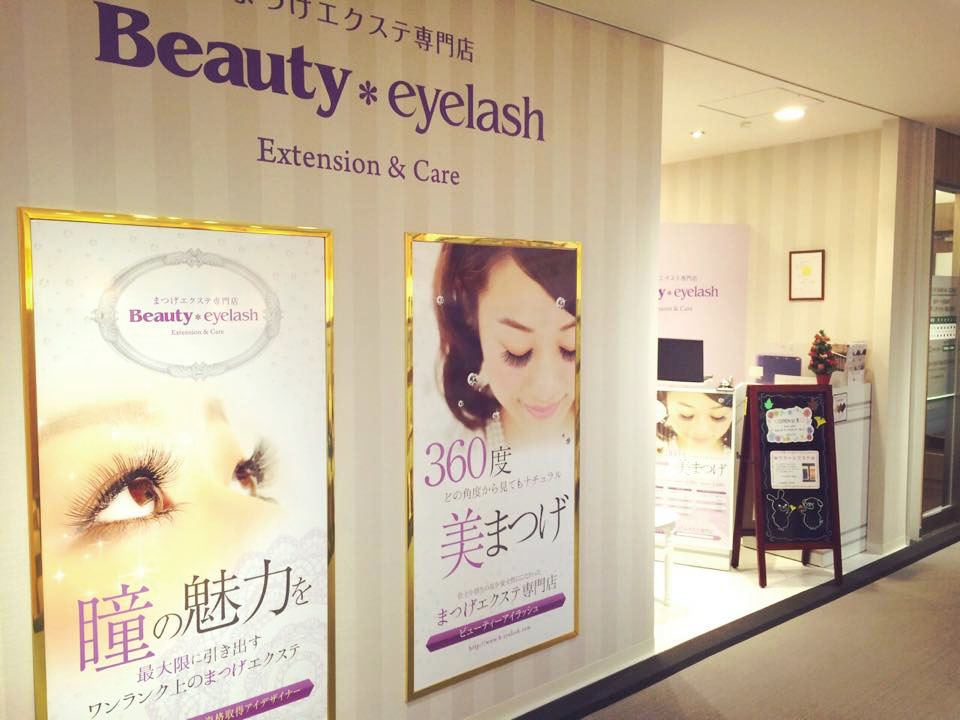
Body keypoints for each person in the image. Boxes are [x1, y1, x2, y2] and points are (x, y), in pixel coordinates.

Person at [433, 243, 578, 450]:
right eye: (517, 351)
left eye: (571, 348)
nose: (545, 389)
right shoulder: (457, 452)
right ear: (470, 317)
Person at [656, 390, 733, 456]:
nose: (702, 430)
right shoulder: (655, 453)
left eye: (718, 416)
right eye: (686, 415)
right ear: (665, 408)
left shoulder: (737, 458)